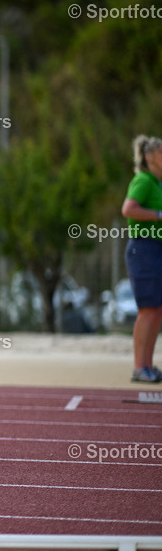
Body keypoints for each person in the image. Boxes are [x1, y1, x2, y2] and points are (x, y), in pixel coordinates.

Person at [121, 135, 162, 383]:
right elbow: (128, 209)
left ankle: (148, 365)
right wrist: (158, 214)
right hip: (143, 250)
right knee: (147, 310)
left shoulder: (158, 183)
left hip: (156, 249)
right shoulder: (144, 180)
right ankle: (139, 367)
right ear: (150, 157)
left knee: (157, 310)